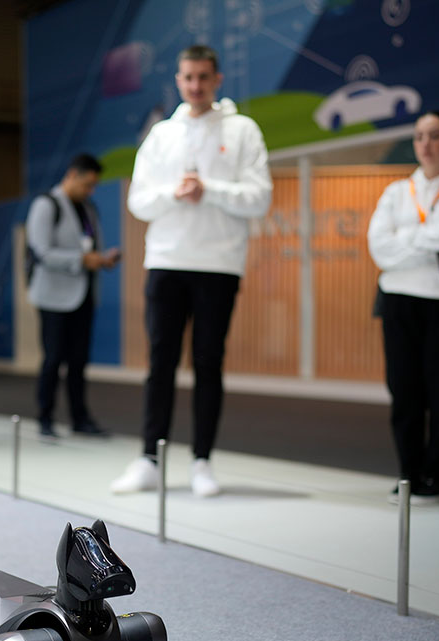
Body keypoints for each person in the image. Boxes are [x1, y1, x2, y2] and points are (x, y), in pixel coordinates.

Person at [111, 45, 272, 498]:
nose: (195, 85)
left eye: (203, 76)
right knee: (159, 362)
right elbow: (138, 201)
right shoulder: (161, 134)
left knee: (208, 362)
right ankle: (148, 458)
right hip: (166, 259)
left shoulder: (242, 130)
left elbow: (260, 197)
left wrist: (211, 189)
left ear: (217, 78)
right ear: (178, 80)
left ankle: (202, 461)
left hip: (219, 263)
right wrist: (175, 193)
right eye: (187, 77)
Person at [367, 110, 439, 503]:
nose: (426, 144)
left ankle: (435, 477)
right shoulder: (397, 192)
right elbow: (378, 248)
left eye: (435, 136)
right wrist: (428, 240)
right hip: (399, 302)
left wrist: (406, 238)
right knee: (404, 394)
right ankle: (408, 475)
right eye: (420, 136)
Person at [26, 153, 120, 440]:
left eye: (94, 186)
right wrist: (80, 260)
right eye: (87, 184)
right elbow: (41, 252)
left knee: (79, 361)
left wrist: (102, 260)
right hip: (53, 297)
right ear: (72, 175)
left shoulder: (88, 208)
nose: (90, 190)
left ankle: (80, 419)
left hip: (84, 295)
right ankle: (45, 418)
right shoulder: (47, 204)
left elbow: (90, 246)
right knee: (53, 358)